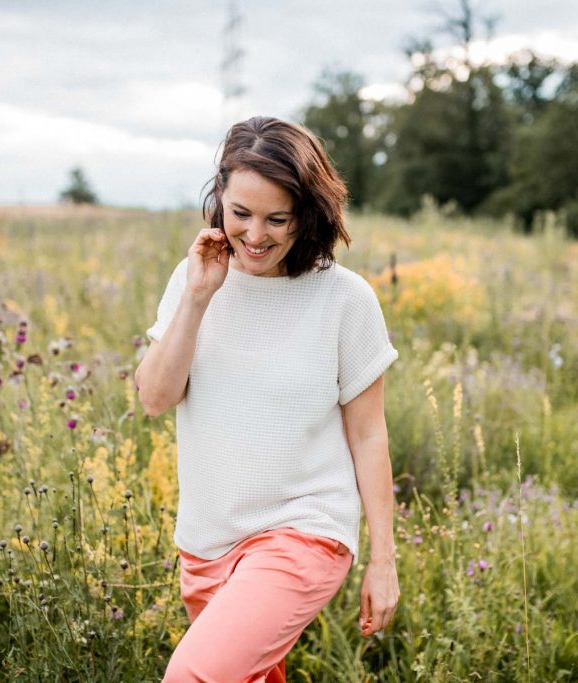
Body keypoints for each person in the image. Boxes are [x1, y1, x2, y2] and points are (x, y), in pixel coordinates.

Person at [134, 115, 400, 683]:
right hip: (206, 539)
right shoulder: (194, 278)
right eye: (241, 214)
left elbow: (369, 433)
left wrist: (384, 560)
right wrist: (199, 298)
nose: (255, 235)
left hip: (305, 529)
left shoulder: (344, 299)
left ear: (309, 215)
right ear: (219, 201)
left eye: (277, 219)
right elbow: (155, 397)